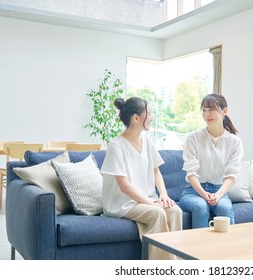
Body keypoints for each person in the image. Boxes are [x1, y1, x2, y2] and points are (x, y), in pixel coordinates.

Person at [101, 97, 182, 260]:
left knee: (175, 211)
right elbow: (124, 186)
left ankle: (177, 261)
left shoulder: (146, 139)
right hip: (122, 203)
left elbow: (156, 171)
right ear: (136, 118)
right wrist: (151, 203)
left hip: (146, 199)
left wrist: (164, 195)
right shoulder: (116, 146)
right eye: (149, 113)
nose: (151, 117)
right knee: (157, 213)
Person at [178, 93, 244, 229]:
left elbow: (231, 176)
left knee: (225, 208)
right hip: (193, 192)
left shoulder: (234, 142)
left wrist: (218, 195)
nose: (207, 114)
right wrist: (204, 194)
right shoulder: (193, 138)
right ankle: (199, 250)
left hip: (219, 190)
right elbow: (191, 174)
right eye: (204, 110)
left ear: (224, 111)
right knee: (201, 206)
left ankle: (228, 248)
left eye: (211, 109)